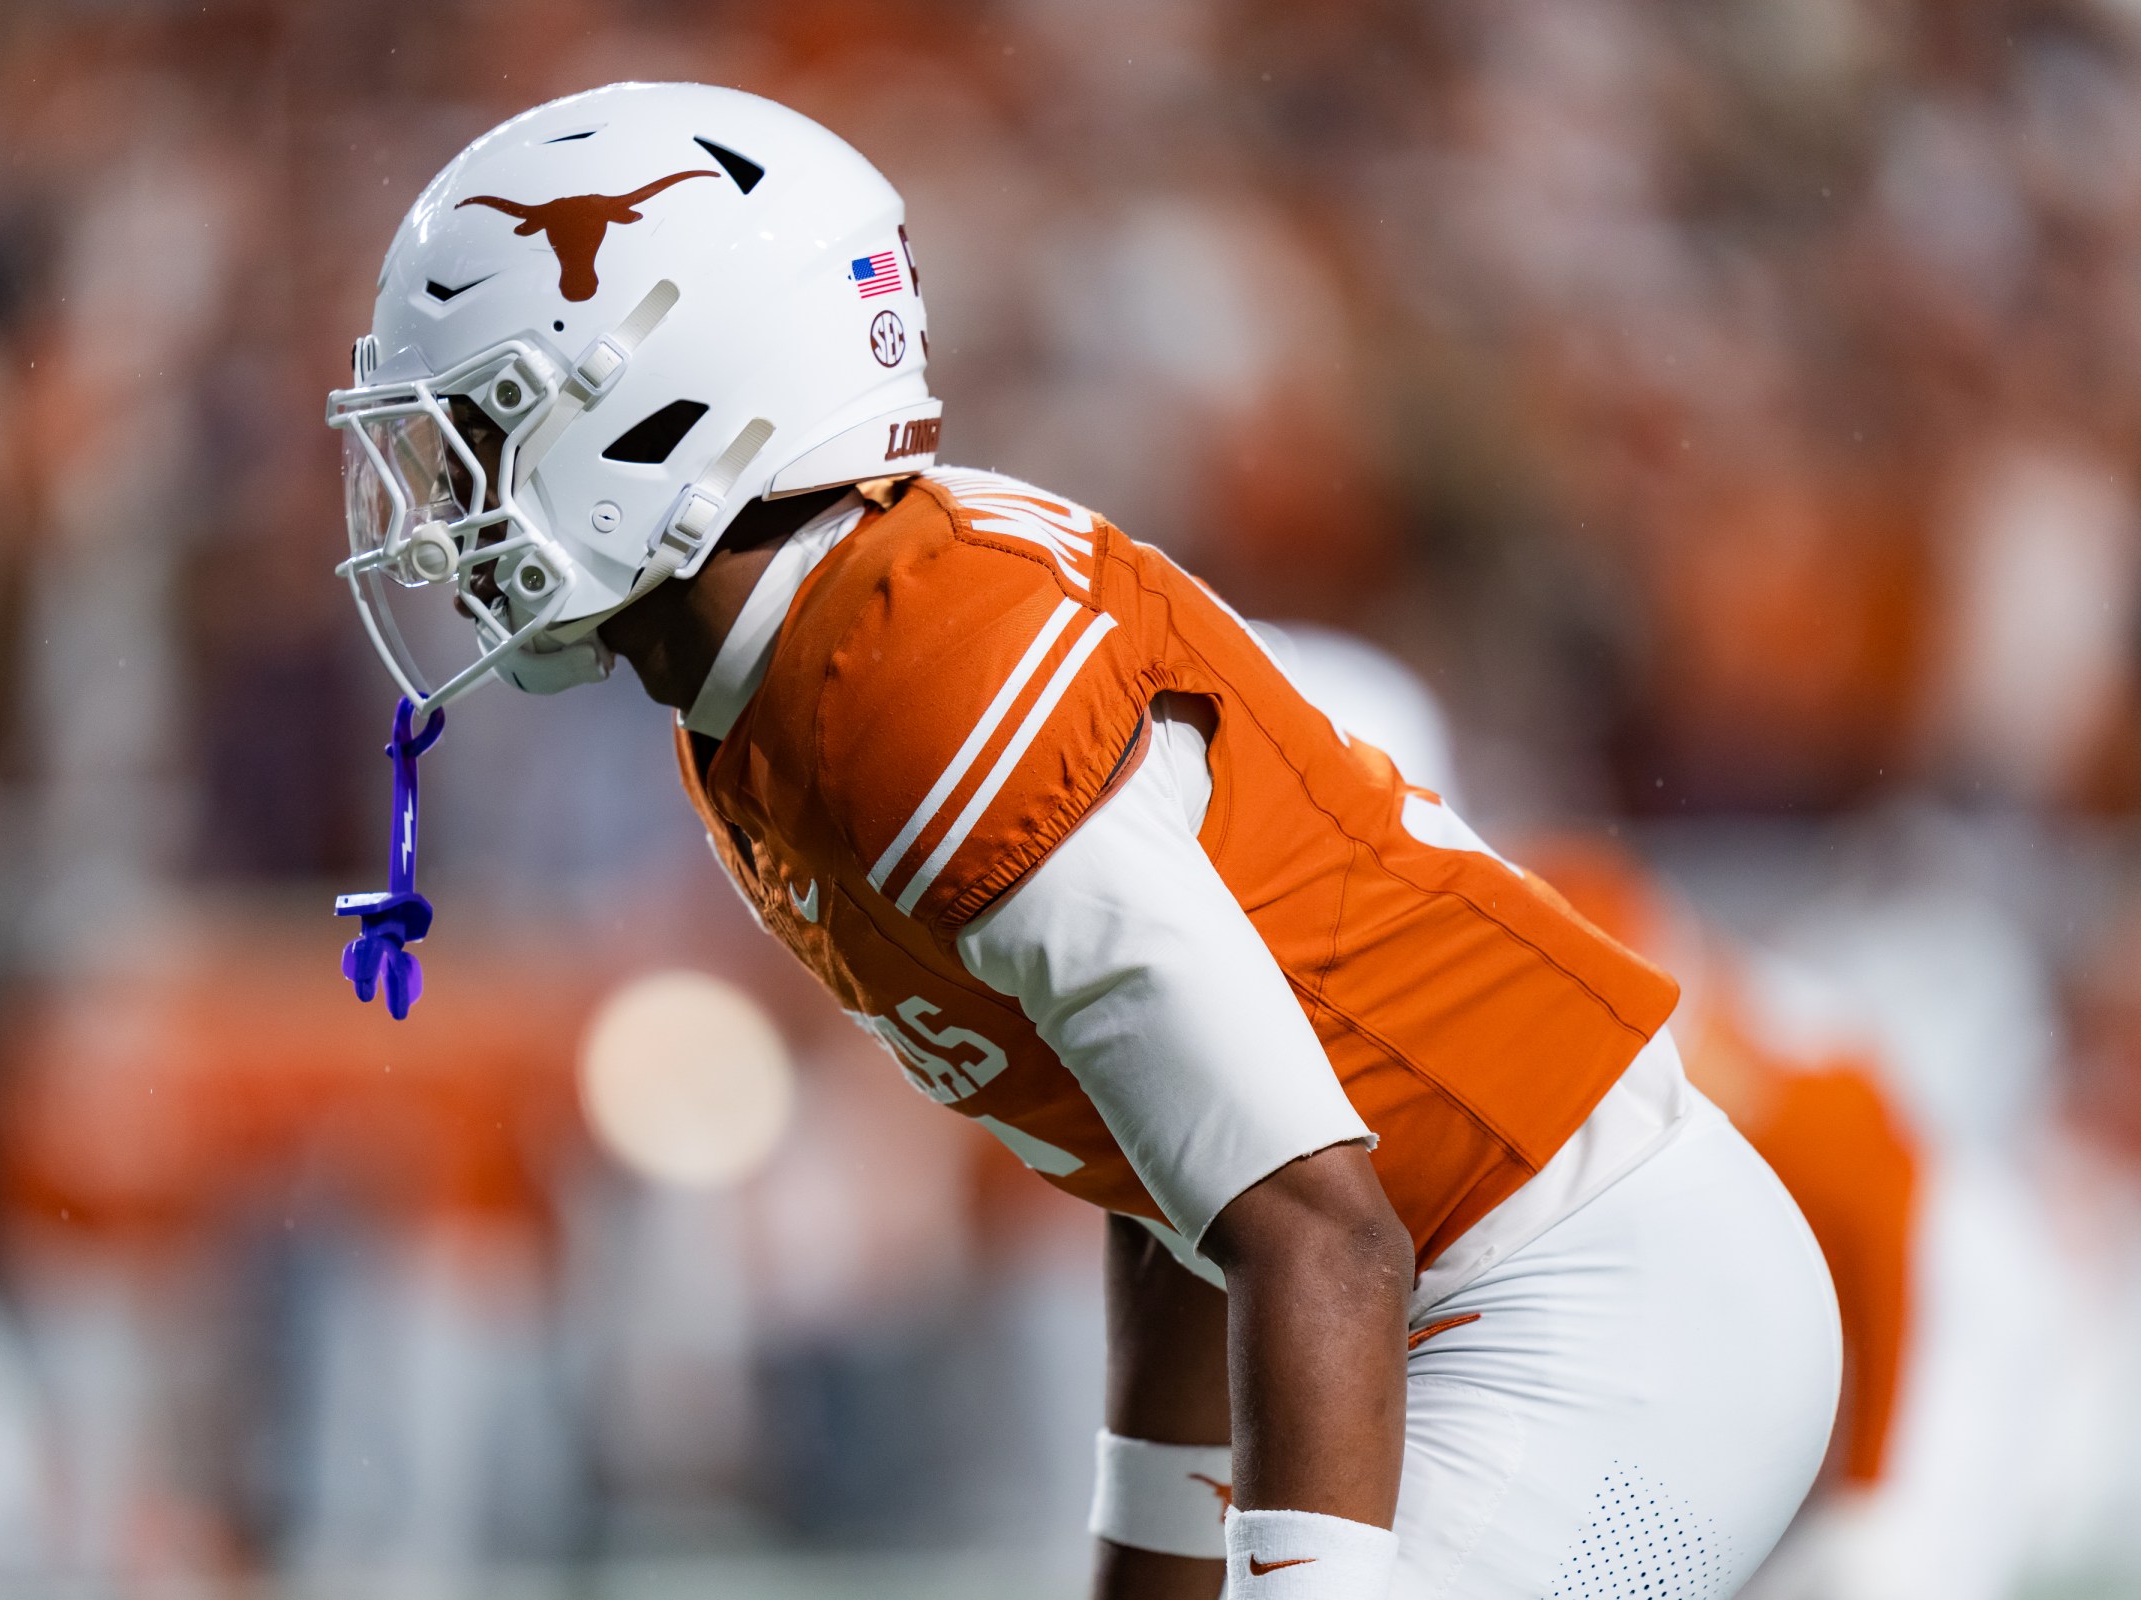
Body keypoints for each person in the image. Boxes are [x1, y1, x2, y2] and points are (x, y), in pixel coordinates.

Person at [323, 82, 1839, 1598]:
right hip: (1465, 1299)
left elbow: (1317, 1224)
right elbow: (1176, 1178)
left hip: (1590, 1302)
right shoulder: (766, 695)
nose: (436, 503)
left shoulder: (906, 679)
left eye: (480, 427)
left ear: (664, 402)